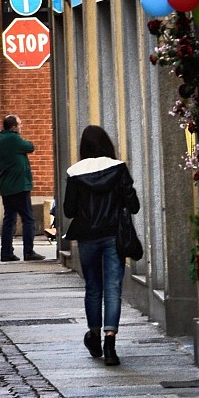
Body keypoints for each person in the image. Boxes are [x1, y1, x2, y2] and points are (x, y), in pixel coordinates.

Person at [59, 126, 141, 365]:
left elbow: (69, 210)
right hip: (113, 235)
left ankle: (94, 335)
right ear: (107, 144)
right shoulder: (118, 168)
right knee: (113, 287)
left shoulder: (75, 172)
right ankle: (110, 343)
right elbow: (133, 205)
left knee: (93, 287)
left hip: (87, 237)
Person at [0, 113, 38, 263]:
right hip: (19, 185)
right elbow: (30, 146)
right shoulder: (14, 138)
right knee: (28, 219)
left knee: (9, 220)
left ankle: (6, 252)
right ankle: (29, 251)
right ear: (13, 127)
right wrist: (19, 137)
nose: (21, 127)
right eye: (19, 125)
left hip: (6, 185)